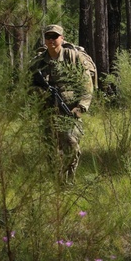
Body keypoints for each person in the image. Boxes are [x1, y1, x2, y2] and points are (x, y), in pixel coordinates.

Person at [30, 24, 94, 182]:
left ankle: (70, 179)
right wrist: (41, 93)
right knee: (50, 148)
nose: (51, 40)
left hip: (70, 111)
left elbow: (87, 84)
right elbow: (29, 86)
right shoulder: (39, 62)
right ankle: (56, 182)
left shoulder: (73, 57)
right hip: (47, 111)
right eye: (48, 37)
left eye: (55, 37)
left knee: (72, 146)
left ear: (62, 38)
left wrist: (80, 107)